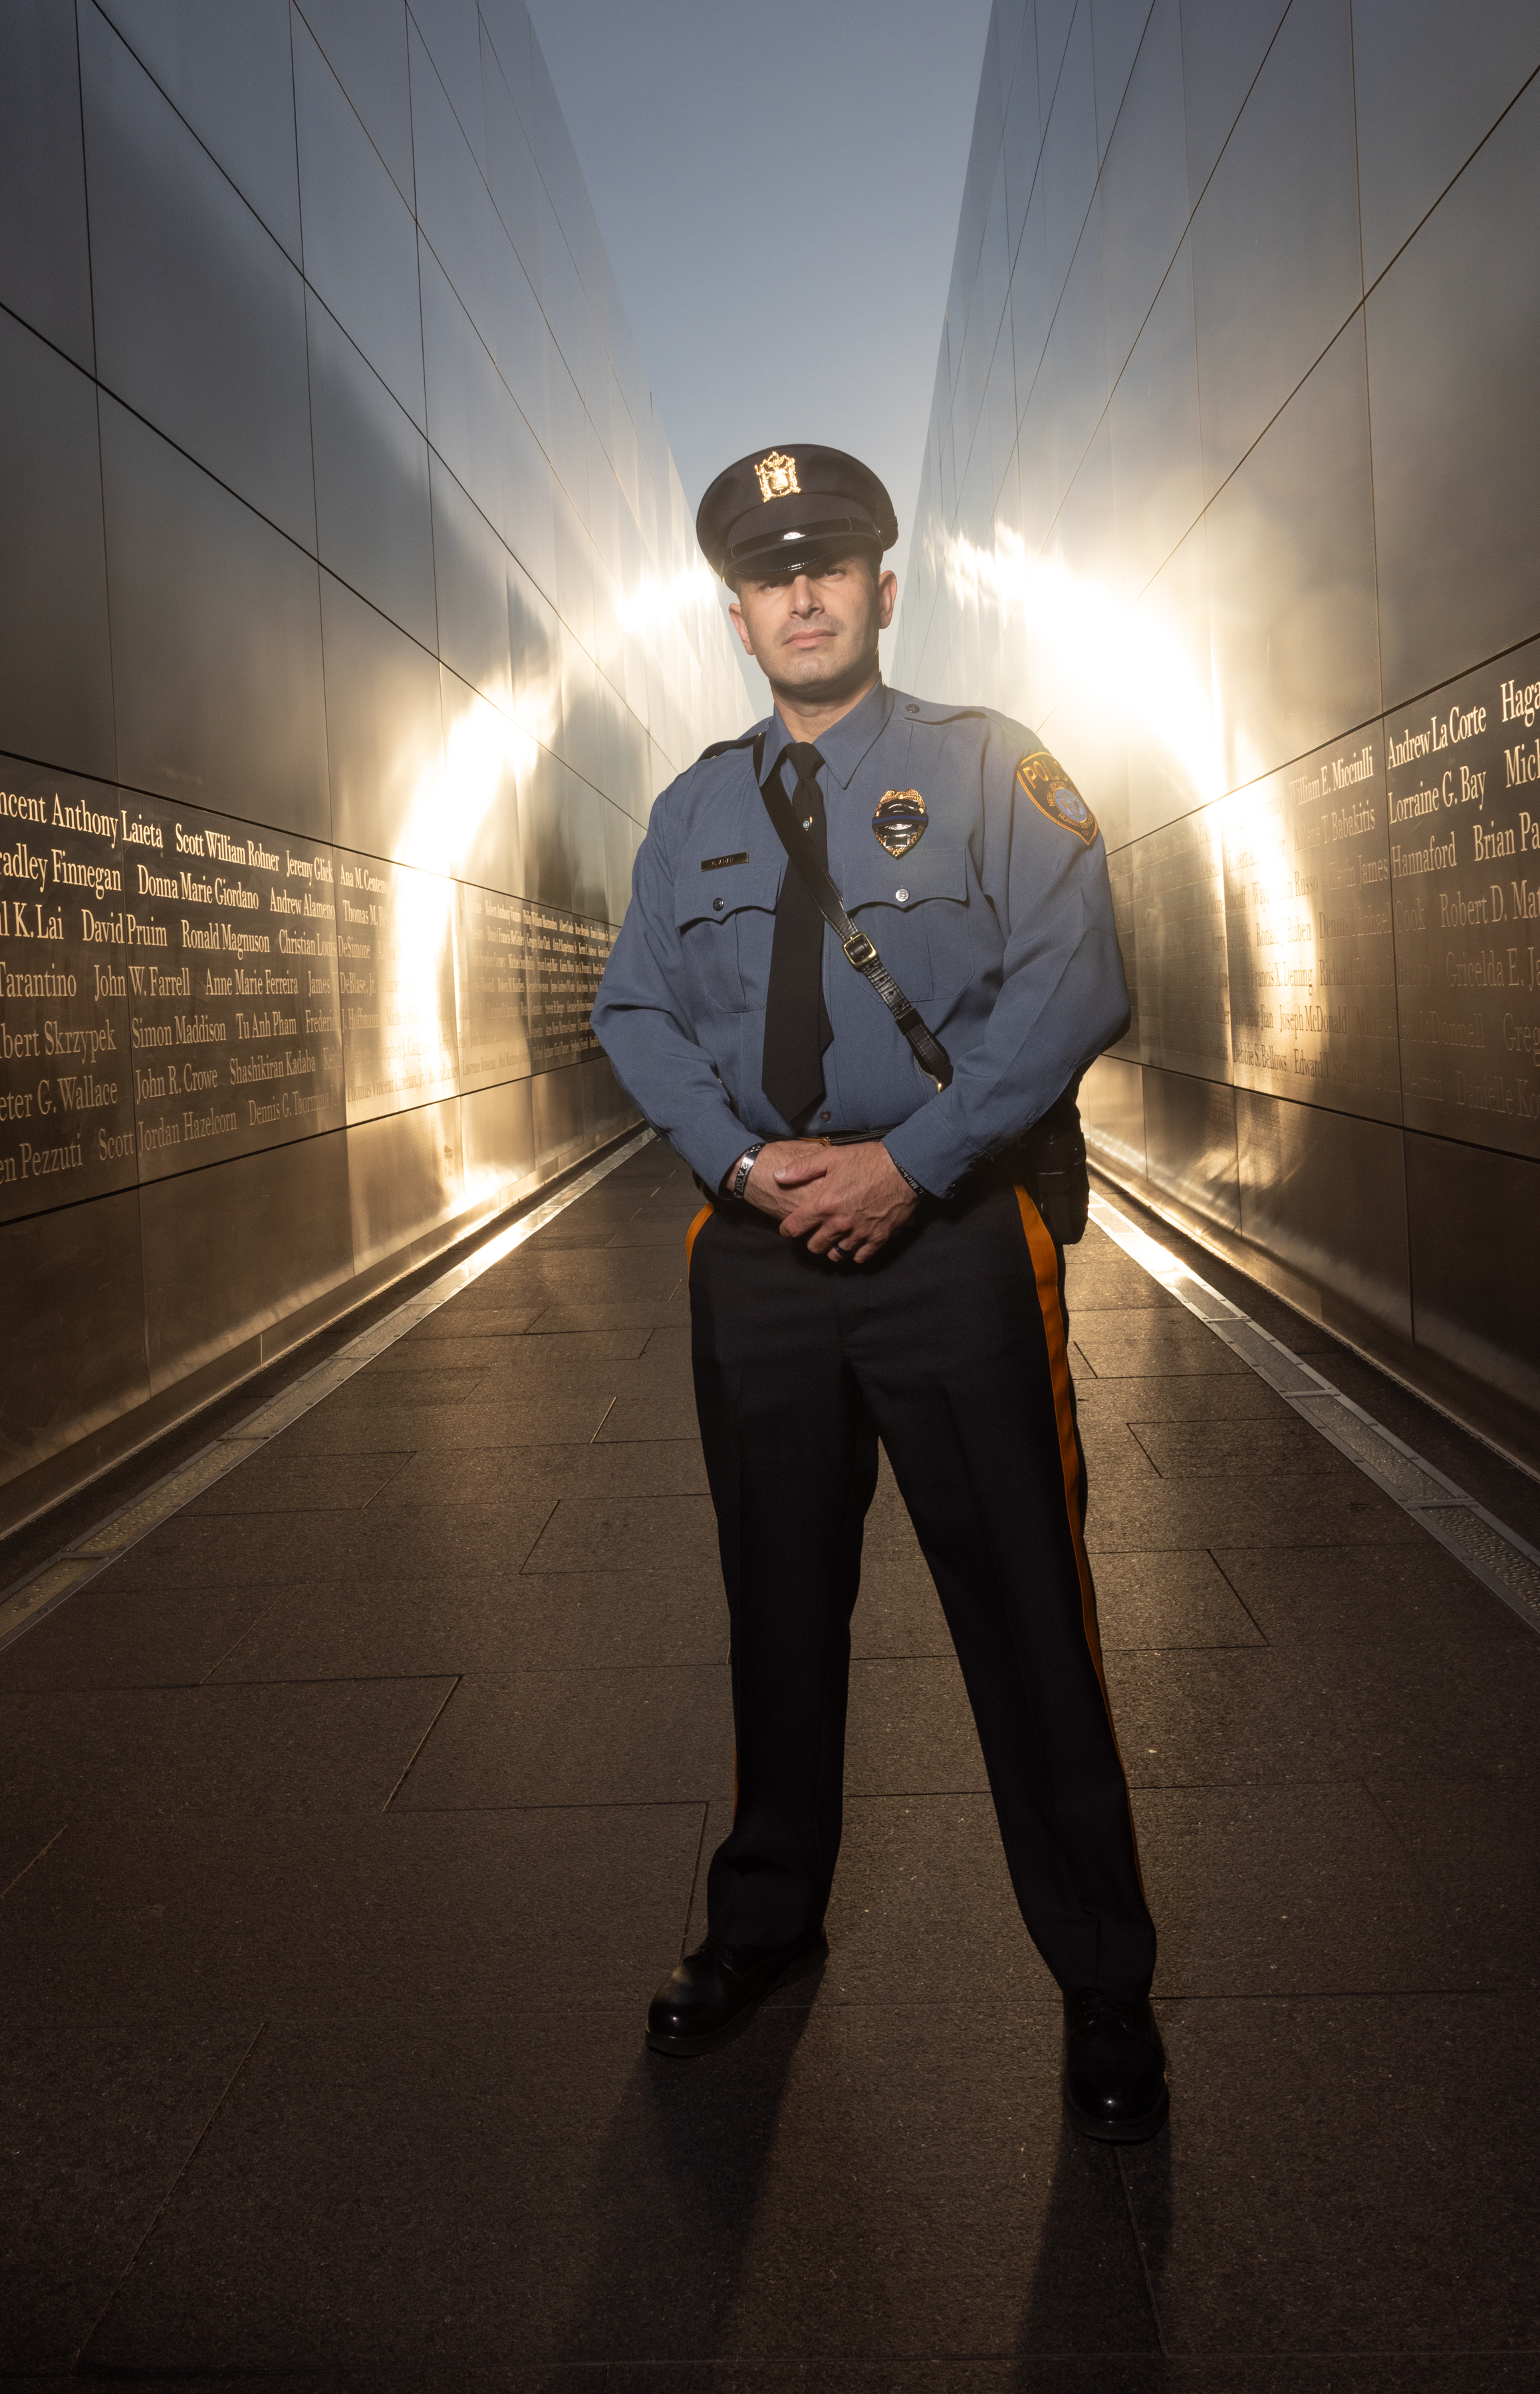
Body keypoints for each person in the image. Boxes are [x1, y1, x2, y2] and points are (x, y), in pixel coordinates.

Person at [590, 445, 1166, 2141]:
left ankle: (1104, 1982)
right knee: (774, 1604)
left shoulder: (993, 768)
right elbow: (634, 1011)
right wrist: (739, 1165)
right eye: (773, 574)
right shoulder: (693, 806)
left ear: (883, 590)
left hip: (953, 1240)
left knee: (1024, 1611)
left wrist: (911, 1163)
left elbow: (1077, 981)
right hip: (760, 1252)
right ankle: (761, 1926)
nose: (804, 591)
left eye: (831, 563)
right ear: (738, 612)